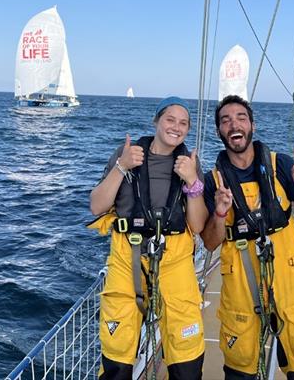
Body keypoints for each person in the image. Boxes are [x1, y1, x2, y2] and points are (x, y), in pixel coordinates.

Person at [201, 95, 294, 380]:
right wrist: (220, 212)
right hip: (242, 291)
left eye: (241, 118)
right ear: (219, 131)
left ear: (252, 126)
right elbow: (210, 242)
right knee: (240, 369)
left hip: (290, 288)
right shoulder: (214, 182)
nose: (234, 124)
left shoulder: (280, 166)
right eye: (225, 120)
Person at [89, 96, 208, 379]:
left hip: (174, 262)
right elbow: (96, 206)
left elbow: (198, 224)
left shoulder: (190, 162)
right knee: (117, 356)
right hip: (126, 260)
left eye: (183, 123)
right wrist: (121, 166)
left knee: (187, 353)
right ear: (156, 121)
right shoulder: (126, 153)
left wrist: (192, 181)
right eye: (170, 119)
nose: (176, 127)